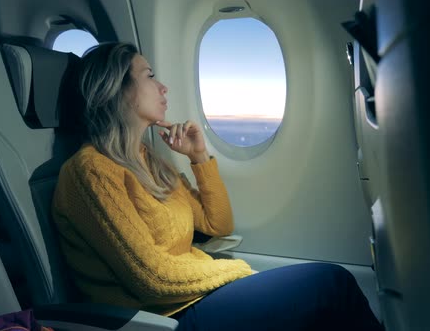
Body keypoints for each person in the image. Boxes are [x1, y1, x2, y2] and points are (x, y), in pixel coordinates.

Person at [51, 42, 384, 331]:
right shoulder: (90, 172)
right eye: (150, 76)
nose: (163, 87)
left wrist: (199, 158)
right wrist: (236, 271)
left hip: (195, 297)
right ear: (115, 89)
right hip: (161, 320)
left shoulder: (148, 162)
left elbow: (217, 225)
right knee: (332, 285)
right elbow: (152, 278)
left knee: (323, 303)